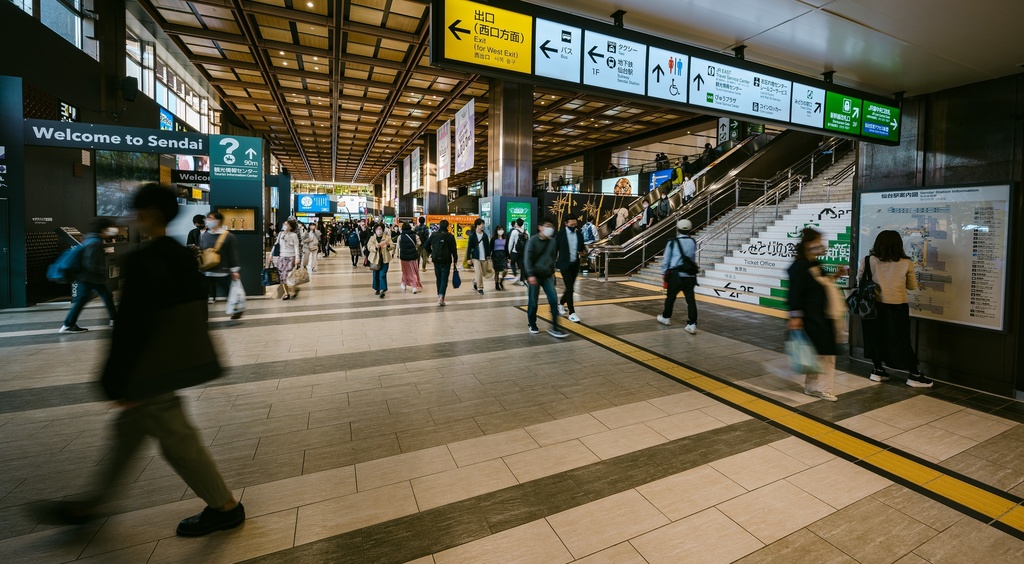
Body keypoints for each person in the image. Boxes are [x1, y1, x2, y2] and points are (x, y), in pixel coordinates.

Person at [55, 183, 244, 536]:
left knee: (176, 438)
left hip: (149, 367)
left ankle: (225, 506)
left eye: (136, 210)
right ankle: (93, 502)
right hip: (166, 361)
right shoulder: (179, 256)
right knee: (130, 433)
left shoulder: (144, 260)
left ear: (152, 214)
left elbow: (130, 327)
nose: (130, 217)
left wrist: (115, 376)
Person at [859, 230, 932, 388]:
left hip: (872, 307)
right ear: (899, 244)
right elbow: (912, 286)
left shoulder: (867, 260)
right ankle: (914, 374)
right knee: (902, 340)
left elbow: (860, 281)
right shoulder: (906, 263)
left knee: (875, 338)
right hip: (897, 307)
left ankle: (878, 370)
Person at [787, 228, 844, 402]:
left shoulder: (814, 265)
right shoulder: (800, 266)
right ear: (807, 244)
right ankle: (822, 388)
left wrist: (836, 276)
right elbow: (794, 293)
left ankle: (812, 387)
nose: (820, 245)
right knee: (825, 354)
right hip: (813, 317)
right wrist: (795, 316)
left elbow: (822, 285)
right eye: (817, 241)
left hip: (822, 315)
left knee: (819, 353)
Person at [59, 218, 118, 334]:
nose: (112, 230)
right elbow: (91, 263)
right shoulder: (95, 242)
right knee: (83, 300)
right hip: (90, 278)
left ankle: (114, 319)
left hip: (90, 277)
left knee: (106, 296)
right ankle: (68, 324)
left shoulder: (91, 239)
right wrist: (101, 271)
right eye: (109, 227)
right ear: (104, 229)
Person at [525, 218, 567, 338]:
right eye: (547, 226)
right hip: (535, 276)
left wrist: (553, 272)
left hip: (547, 275)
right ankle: (532, 323)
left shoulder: (553, 242)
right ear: (540, 227)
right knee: (533, 302)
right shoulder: (533, 240)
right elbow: (528, 258)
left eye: (551, 226)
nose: (550, 229)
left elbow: (552, 258)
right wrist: (530, 274)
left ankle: (555, 327)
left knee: (554, 301)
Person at [658, 219, 699, 334]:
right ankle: (692, 324)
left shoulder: (672, 242)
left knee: (670, 298)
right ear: (690, 229)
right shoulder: (693, 242)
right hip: (690, 275)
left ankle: (666, 318)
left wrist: (663, 273)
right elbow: (692, 258)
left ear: (678, 229)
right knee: (690, 300)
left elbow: (666, 259)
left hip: (676, 275)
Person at [200, 212, 241, 317]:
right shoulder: (205, 235)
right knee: (203, 296)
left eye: (210, 218)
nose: (207, 220)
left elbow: (232, 253)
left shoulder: (228, 236)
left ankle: (235, 310)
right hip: (207, 270)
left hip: (222, 271)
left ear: (218, 221)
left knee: (229, 292)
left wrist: (234, 270)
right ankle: (202, 316)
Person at [556, 216, 585, 323]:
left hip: (575, 264)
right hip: (564, 265)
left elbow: (581, 248)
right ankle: (572, 313)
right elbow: (555, 249)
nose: (573, 227)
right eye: (571, 225)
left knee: (570, 288)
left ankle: (561, 303)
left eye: (575, 225)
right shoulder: (560, 234)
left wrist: (583, 252)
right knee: (570, 288)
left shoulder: (578, 234)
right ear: (566, 223)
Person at [426, 219, 459, 306]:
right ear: (447, 226)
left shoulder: (434, 235)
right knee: (444, 278)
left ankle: (439, 296)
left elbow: (426, 245)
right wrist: (455, 260)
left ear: (439, 226)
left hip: (436, 259)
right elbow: (454, 249)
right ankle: (441, 297)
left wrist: (431, 252)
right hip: (446, 260)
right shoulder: (450, 236)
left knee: (438, 278)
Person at [275, 219, 300, 300]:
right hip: (282, 256)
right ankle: (286, 293)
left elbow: (296, 247)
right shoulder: (280, 234)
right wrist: (272, 255)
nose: (285, 225)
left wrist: (297, 258)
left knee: (289, 275)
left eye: (287, 224)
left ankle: (295, 288)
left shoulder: (294, 235)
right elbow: (276, 245)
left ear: (291, 227)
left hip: (291, 257)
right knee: (282, 276)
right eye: (284, 224)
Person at [366, 223, 393, 298]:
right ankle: (377, 289)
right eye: (377, 229)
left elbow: (392, 246)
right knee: (376, 275)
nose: (379, 231)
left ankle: (382, 290)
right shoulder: (372, 238)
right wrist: (375, 247)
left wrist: (388, 245)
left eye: (380, 229)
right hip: (375, 260)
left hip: (384, 259)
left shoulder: (387, 238)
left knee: (382, 274)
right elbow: (369, 247)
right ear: (375, 230)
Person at [466, 219, 491, 296]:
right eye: (481, 224)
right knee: (479, 273)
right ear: (477, 225)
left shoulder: (485, 235)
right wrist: (468, 258)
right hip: (475, 257)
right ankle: (480, 288)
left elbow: (487, 247)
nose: (483, 226)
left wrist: (488, 255)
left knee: (483, 273)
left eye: (483, 224)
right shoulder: (473, 235)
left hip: (483, 257)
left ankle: (475, 281)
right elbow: (469, 247)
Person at [398, 222, 423, 294]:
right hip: (413, 256)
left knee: (405, 271)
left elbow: (399, 246)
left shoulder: (400, 236)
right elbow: (419, 243)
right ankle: (414, 286)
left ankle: (404, 284)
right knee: (413, 271)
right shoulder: (415, 236)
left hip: (404, 257)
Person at [491, 224, 509, 291]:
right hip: (496, 254)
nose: (500, 231)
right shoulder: (493, 239)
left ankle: (501, 281)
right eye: (499, 229)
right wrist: (488, 256)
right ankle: (496, 284)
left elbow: (506, 248)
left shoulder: (505, 238)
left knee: (505, 270)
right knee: (497, 271)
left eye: (501, 229)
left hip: (503, 254)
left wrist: (508, 257)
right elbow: (491, 248)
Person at [508, 218, 526, 283]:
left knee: (512, 263)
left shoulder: (514, 231)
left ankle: (516, 274)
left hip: (515, 251)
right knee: (522, 266)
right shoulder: (526, 231)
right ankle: (522, 280)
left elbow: (511, 242)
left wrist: (509, 251)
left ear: (517, 224)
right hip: (523, 251)